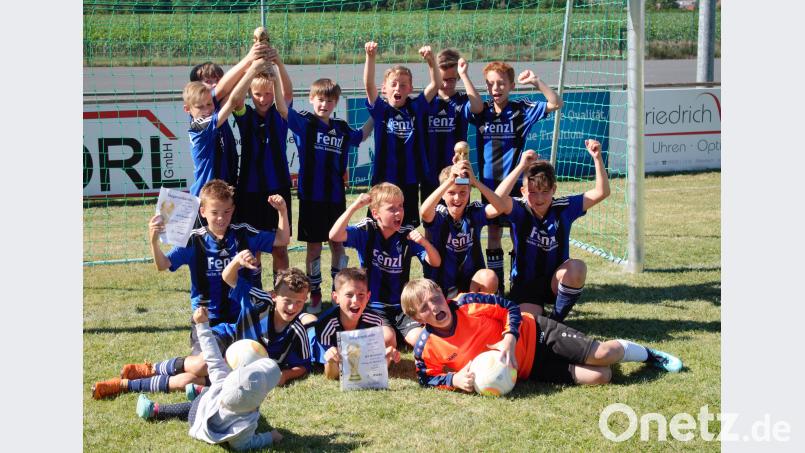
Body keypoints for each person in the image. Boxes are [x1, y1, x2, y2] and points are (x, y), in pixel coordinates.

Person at [401, 278, 683, 391]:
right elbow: (427, 376)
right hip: (529, 368)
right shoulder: (426, 347)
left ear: (442, 294)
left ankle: (648, 354)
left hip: (535, 333)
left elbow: (510, 306)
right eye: (424, 308)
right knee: (602, 376)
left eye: (435, 298)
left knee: (603, 354)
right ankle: (610, 358)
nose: (435, 307)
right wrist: (454, 378)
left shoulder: (468, 303)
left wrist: (510, 337)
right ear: (416, 318)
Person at [91, 266, 309, 400]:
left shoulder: (298, 330)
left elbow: (303, 366)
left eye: (299, 303)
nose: (292, 308)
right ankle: (149, 368)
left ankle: (124, 386)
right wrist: (237, 262)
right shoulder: (259, 300)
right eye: (287, 301)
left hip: (239, 373)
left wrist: (285, 375)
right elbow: (228, 277)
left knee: (188, 382)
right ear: (274, 296)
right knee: (200, 364)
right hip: (227, 338)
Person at [272, 77, 373, 314]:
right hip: (311, 198)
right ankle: (315, 293)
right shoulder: (305, 123)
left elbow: (363, 135)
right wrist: (276, 76)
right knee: (314, 248)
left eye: (329, 100)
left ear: (335, 102)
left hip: (335, 199)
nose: (324, 105)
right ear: (311, 99)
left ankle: (339, 292)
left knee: (338, 246)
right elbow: (281, 108)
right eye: (320, 99)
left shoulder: (341, 128)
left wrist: (378, 113)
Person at [487, 140, 610, 321]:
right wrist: (521, 166)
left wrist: (597, 158)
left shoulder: (563, 208)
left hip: (555, 282)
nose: (539, 198)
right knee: (529, 323)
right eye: (533, 192)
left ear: (554, 189)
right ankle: (540, 317)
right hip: (525, 284)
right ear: (522, 191)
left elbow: (602, 192)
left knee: (577, 268)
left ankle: (557, 321)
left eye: (545, 191)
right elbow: (496, 199)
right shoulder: (519, 209)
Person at [135, 306, 284, 451]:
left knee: (199, 403)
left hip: (204, 408)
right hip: (201, 420)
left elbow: (212, 356)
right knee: (192, 406)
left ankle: (156, 409)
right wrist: (270, 437)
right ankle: (160, 409)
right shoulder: (246, 423)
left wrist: (202, 325)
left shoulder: (222, 381)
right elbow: (243, 445)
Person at [470, 61, 563, 294]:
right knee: (493, 234)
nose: (495, 88)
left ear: (511, 85)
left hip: (514, 186)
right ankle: (498, 287)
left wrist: (535, 81)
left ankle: (519, 283)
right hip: (490, 186)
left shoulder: (521, 109)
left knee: (519, 234)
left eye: (501, 83)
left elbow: (556, 103)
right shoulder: (482, 112)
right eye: (490, 84)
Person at [329, 183, 441, 348]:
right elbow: (335, 235)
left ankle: (400, 334)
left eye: (401, 207)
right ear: (376, 214)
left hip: (402, 306)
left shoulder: (406, 234)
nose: (398, 213)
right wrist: (355, 206)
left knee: (420, 340)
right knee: (388, 339)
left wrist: (424, 242)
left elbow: (436, 262)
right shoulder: (367, 230)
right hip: (374, 306)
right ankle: (388, 335)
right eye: (391, 209)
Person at [231, 47, 294, 286]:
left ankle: (282, 292)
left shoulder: (280, 114)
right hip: (249, 190)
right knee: (253, 246)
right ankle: (256, 293)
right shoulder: (245, 115)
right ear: (251, 93)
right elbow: (235, 99)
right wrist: (251, 70)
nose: (263, 99)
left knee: (280, 246)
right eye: (258, 94)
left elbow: (286, 94)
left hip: (278, 188)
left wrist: (277, 66)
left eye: (268, 94)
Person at [363, 41, 442, 226]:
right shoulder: (381, 110)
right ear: (384, 89)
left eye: (403, 85)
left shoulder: (416, 107)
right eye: (394, 84)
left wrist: (431, 61)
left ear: (410, 89)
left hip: (410, 180)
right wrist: (370, 57)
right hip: (383, 180)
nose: (398, 88)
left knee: (406, 228)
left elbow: (436, 84)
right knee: (376, 227)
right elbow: (368, 85)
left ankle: (403, 256)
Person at [184, 45, 271, 197]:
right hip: (207, 193)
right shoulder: (200, 122)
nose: (215, 84)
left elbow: (232, 93)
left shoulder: (213, 109)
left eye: (218, 80)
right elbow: (228, 95)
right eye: (208, 81)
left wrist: (251, 67)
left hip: (225, 188)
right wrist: (250, 62)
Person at [419, 160, 508, 298]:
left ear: (469, 191)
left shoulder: (473, 212)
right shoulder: (439, 214)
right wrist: (449, 181)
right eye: (451, 192)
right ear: (443, 193)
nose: (457, 198)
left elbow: (500, 207)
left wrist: (475, 182)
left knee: (489, 277)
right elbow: (424, 212)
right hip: (443, 286)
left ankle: (473, 305)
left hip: (471, 284)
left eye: (463, 192)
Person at [308, 267, 400, 380]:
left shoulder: (375, 322)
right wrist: (331, 361)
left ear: (368, 297)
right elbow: (331, 375)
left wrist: (386, 357)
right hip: (311, 335)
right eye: (349, 295)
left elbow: (371, 364)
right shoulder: (325, 326)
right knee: (309, 322)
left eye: (361, 294)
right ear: (336, 297)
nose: (355, 300)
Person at [420, 48, 483, 200]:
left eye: (452, 79)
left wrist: (464, 74)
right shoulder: (427, 101)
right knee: (431, 216)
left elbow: (478, 107)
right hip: (430, 172)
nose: (447, 84)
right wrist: (431, 63)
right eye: (443, 79)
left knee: (459, 212)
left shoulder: (462, 101)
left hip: (458, 170)